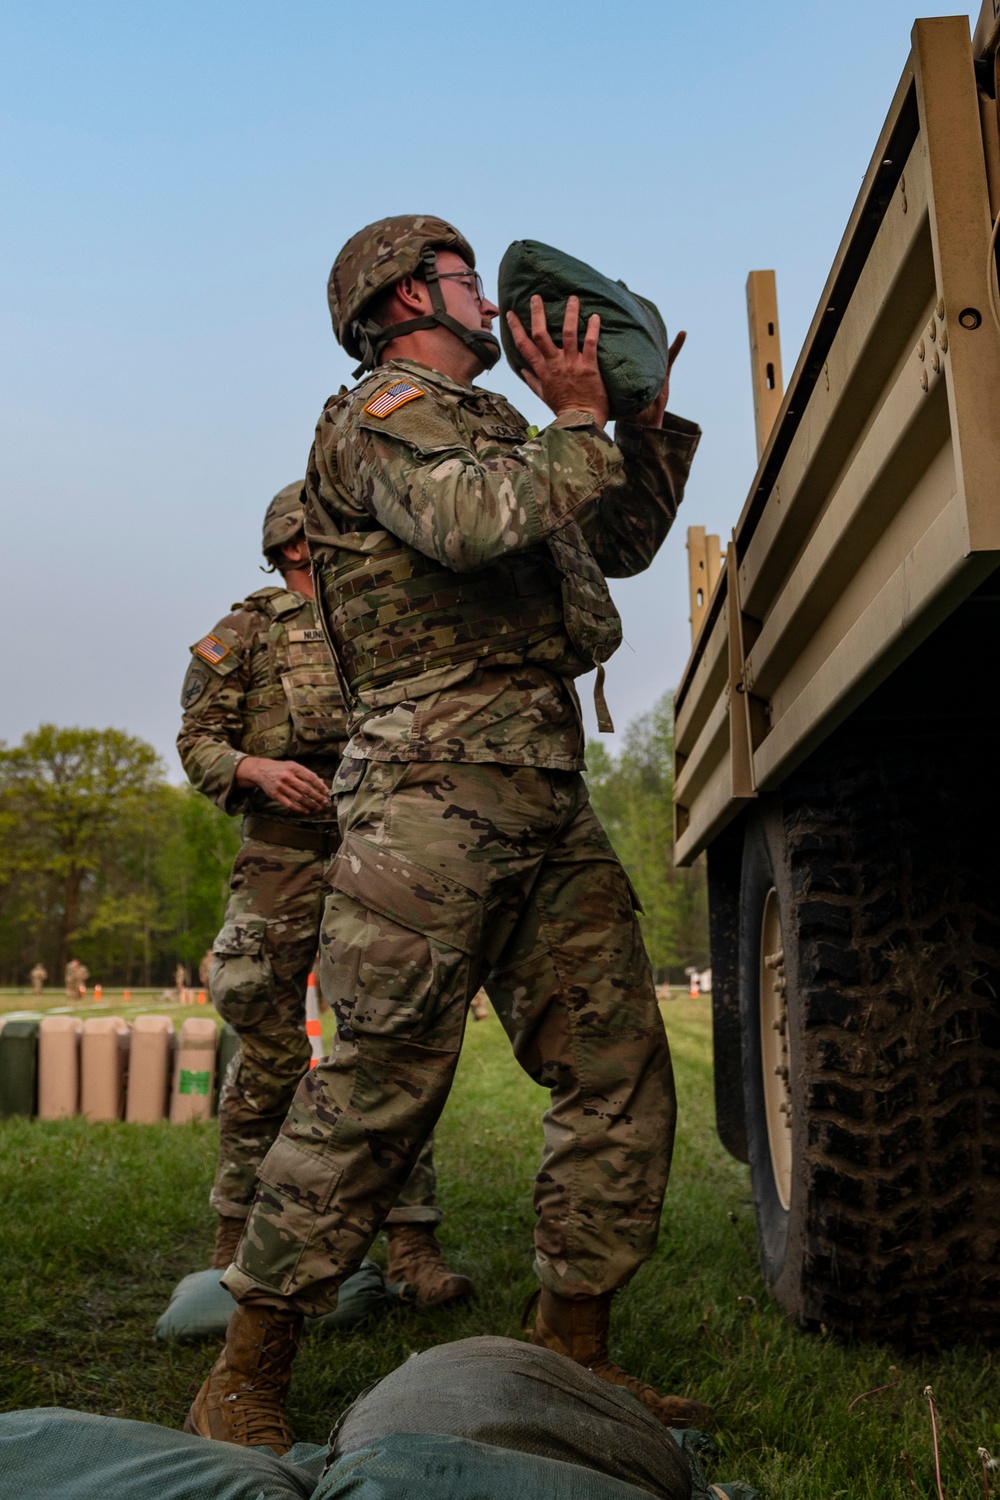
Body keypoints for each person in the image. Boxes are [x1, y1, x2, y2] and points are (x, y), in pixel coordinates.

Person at [186, 216, 707, 1452]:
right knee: (375, 1083)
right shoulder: (375, 419)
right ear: (408, 295)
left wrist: (635, 424)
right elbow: (469, 527)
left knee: (616, 1069)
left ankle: (572, 1353)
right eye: (471, 279)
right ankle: (249, 1365)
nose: (501, 302)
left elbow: (617, 543)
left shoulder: (502, 433)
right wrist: (573, 426)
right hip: (424, 794)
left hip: (541, 785)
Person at [177, 483, 471, 1304]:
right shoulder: (247, 632)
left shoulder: (385, 619)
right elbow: (198, 738)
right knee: (270, 1048)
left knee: (390, 1040)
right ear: (298, 546)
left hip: (379, 850)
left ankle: (411, 1245)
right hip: (282, 856)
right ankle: (235, 1230)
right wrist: (254, 768)